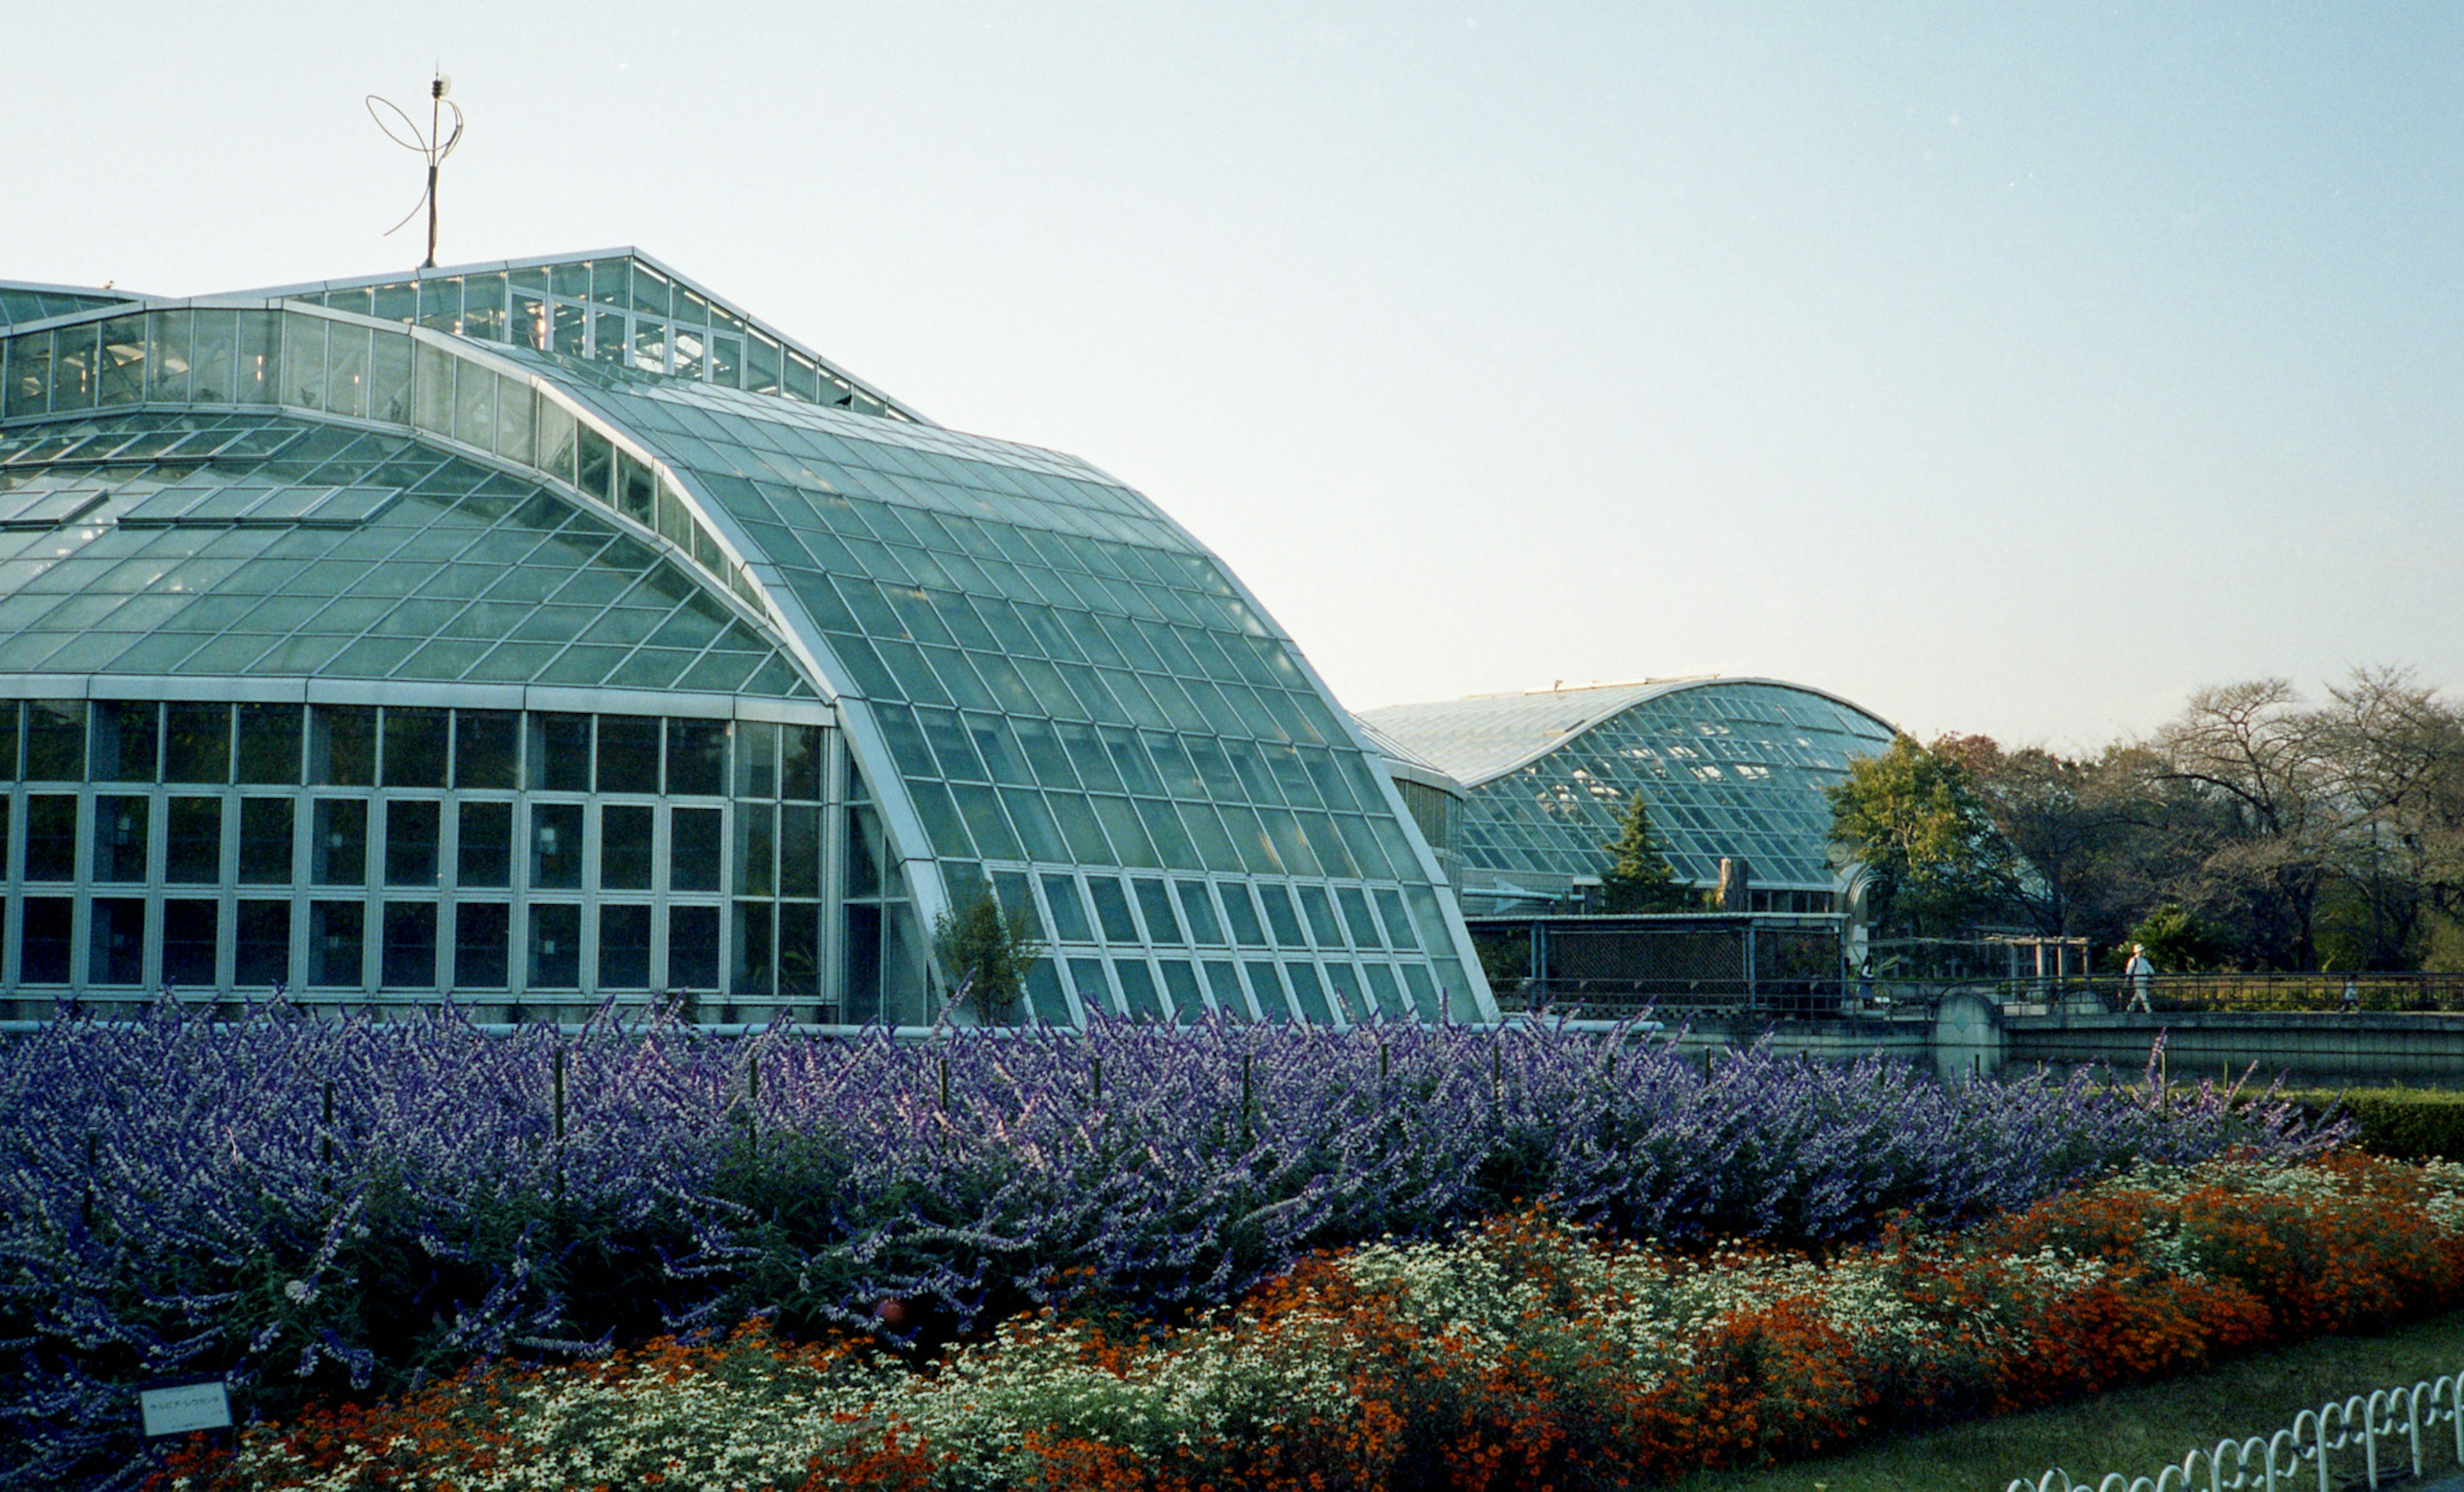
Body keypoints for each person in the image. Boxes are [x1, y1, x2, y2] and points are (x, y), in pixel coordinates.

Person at [2123, 943, 2155, 1012]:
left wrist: (2152, 974)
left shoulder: (2144, 960)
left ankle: (2130, 1009)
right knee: (2143, 995)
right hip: (2138, 980)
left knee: (2138, 995)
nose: (2142, 952)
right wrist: (2127, 979)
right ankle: (2148, 1010)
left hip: (2144, 980)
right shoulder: (2134, 960)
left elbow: (2150, 969)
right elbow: (2129, 970)